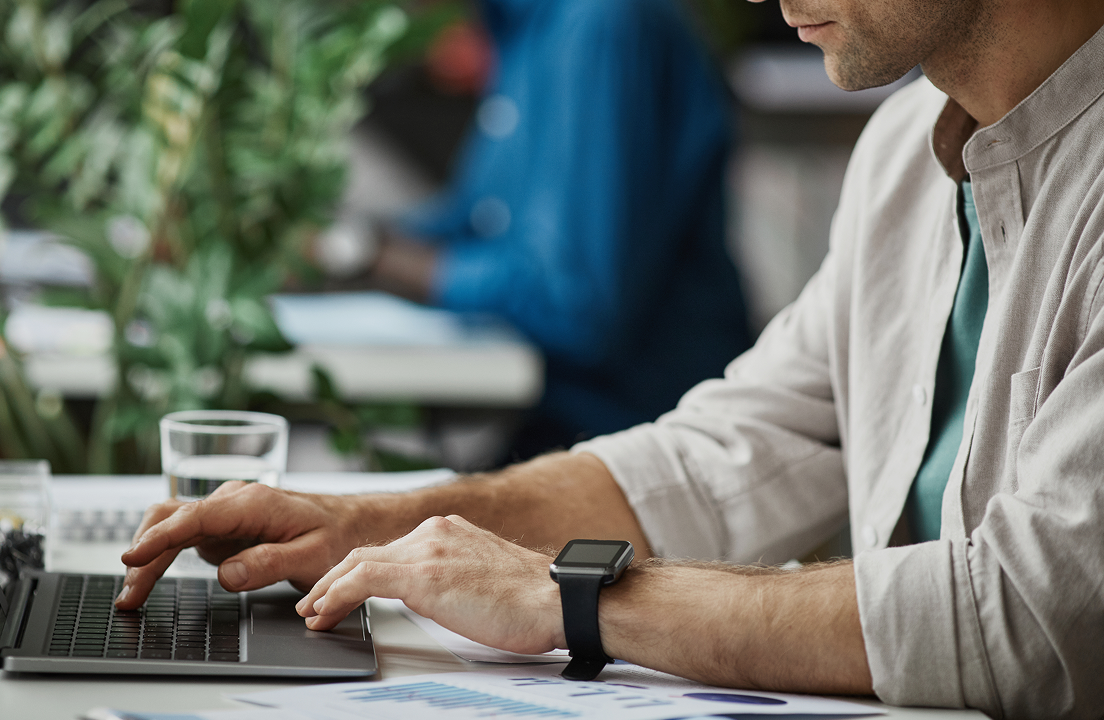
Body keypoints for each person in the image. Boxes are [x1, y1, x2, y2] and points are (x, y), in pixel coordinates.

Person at [117, 0, 1104, 714]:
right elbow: (738, 446)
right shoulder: (900, 150)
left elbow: (1035, 613)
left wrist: (569, 598)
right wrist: (370, 525)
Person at [318, 0, 750, 456]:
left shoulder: (603, 24)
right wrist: (334, 242)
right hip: (565, 425)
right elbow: (475, 220)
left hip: (648, 438)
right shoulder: (525, 28)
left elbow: (573, 301)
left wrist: (366, 256)